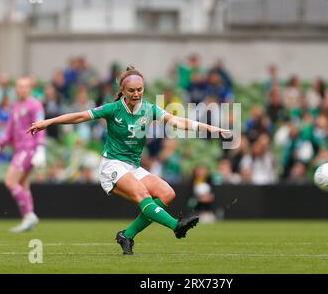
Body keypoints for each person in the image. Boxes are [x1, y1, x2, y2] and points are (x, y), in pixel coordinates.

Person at [27, 65, 231, 255]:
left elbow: (178, 121)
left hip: (133, 167)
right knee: (143, 195)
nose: (136, 94)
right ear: (123, 91)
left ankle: (127, 235)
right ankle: (175, 226)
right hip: (112, 165)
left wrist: (211, 128)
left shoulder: (149, 109)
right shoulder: (113, 109)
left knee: (167, 194)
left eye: (139, 89)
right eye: (132, 90)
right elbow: (80, 116)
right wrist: (48, 122)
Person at [0, 77, 46, 232]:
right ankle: (28, 219)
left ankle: (29, 216)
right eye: (20, 86)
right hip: (19, 149)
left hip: (28, 148)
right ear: (16, 89)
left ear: (30, 89)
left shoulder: (35, 105)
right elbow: (8, 133)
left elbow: (40, 127)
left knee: (10, 181)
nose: (23, 89)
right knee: (23, 184)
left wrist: (40, 148)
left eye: (26, 86)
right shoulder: (15, 107)